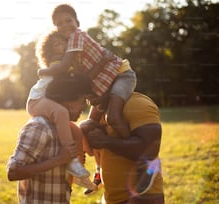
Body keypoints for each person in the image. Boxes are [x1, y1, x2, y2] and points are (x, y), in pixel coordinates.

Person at [39, 3, 137, 194]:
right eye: (59, 23)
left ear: (77, 22)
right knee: (85, 126)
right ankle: (99, 172)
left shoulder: (77, 36)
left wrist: (46, 70)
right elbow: (81, 76)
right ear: (55, 28)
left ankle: (136, 157)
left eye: (69, 20)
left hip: (120, 75)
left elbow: (78, 72)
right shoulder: (69, 48)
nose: (65, 25)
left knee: (114, 117)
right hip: (107, 84)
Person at [7, 73, 96, 203]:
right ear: (68, 101)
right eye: (82, 102)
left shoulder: (68, 130)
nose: (83, 108)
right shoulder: (39, 127)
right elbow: (13, 172)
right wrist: (58, 160)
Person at [26, 30, 90, 179]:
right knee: (62, 112)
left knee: (76, 132)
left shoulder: (67, 63)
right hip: (37, 100)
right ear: (48, 50)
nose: (61, 46)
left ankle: (78, 170)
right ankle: (72, 161)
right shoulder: (57, 63)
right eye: (56, 44)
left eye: (63, 43)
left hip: (47, 102)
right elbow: (62, 73)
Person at [80, 91, 164, 203]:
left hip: (141, 197)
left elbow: (149, 150)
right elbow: (91, 149)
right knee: (84, 125)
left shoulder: (138, 104)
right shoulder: (100, 107)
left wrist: (106, 141)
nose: (88, 99)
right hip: (112, 199)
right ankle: (98, 172)